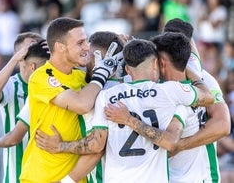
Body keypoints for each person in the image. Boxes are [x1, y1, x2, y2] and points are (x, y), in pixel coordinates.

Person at [35, 38, 214, 182]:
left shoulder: (106, 96)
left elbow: (96, 145)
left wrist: (60, 146)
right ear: (155, 64)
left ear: (128, 69)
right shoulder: (170, 91)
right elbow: (208, 97)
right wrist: (190, 69)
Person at [19, 17, 121, 183]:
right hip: (41, 177)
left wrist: (122, 47)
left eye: (86, 41)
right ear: (60, 47)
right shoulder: (41, 76)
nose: (87, 47)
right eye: (80, 43)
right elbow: (82, 104)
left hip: (73, 179)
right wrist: (101, 73)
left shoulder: (81, 77)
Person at [161, 18, 230, 182]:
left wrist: (181, 144)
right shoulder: (156, 80)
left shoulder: (204, 79)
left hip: (202, 176)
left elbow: (223, 125)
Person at [0, 32, 45, 183]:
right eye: (31, 46)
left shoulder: (52, 83)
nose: (36, 48)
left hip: (47, 173)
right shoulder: (12, 85)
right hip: (16, 175)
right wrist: (13, 60)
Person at [0, 40, 50, 158]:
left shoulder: (47, 89)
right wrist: (13, 60)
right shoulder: (11, 84)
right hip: (19, 170)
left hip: (42, 169)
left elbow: (13, 138)